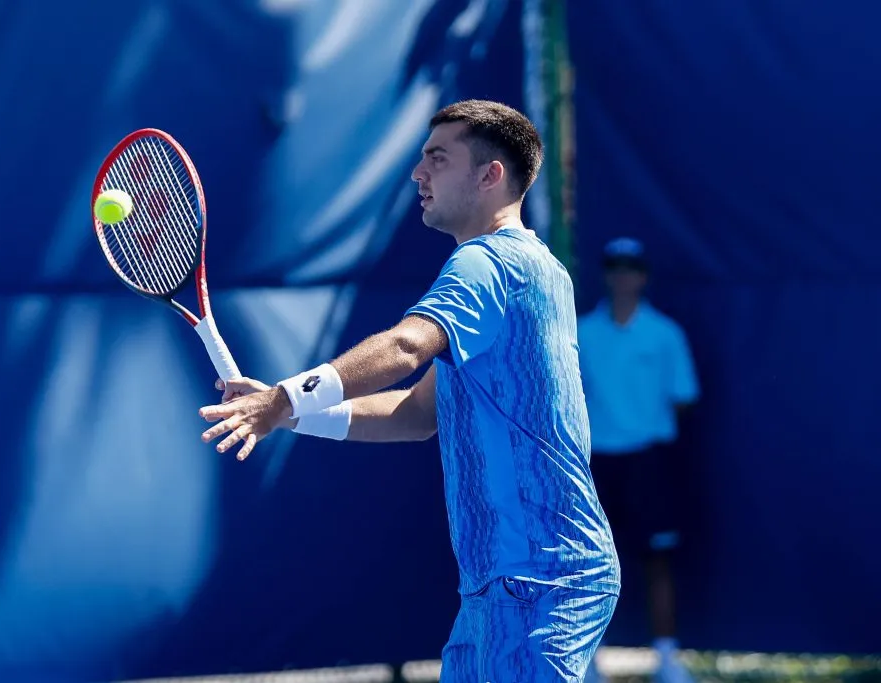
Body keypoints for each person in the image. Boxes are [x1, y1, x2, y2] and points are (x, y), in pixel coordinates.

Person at [199, 99, 620, 681]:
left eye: (437, 159)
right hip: (504, 583)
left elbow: (404, 347)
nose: (418, 173)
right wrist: (289, 416)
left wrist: (282, 399)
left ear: (489, 175)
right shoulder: (534, 268)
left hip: (535, 577)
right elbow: (418, 410)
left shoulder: (488, 264)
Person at [576, 238, 700, 683]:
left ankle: (667, 660)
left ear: (643, 276)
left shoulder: (665, 334)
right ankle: (587, 663)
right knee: (589, 563)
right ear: (605, 274)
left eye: (630, 268)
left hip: (650, 464)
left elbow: (683, 397)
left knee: (657, 562)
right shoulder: (582, 333)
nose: (622, 276)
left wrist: (640, 424)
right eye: (614, 267)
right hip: (597, 465)